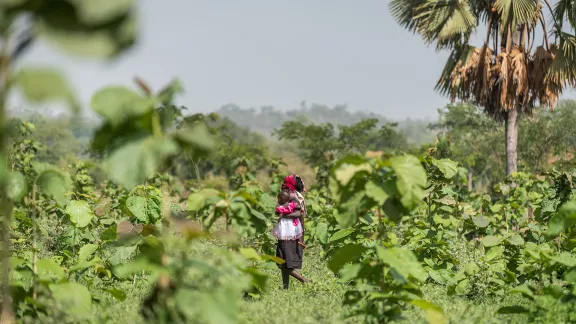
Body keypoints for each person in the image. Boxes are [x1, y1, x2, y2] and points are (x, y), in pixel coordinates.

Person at [274, 174, 311, 289]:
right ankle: (285, 287)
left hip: (290, 233)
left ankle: (304, 280)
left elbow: (299, 213)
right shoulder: (291, 195)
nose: (282, 188)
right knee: (283, 260)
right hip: (288, 232)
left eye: (284, 186)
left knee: (281, 262)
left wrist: (282, 214)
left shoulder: (293, 196)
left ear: (289, 187)